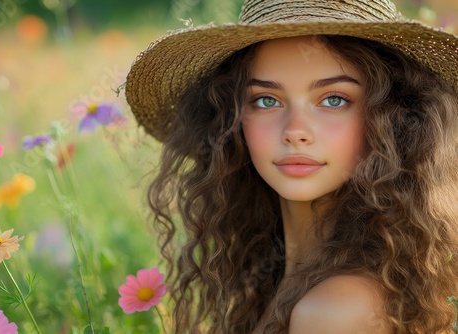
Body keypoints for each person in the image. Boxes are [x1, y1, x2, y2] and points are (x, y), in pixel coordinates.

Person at [124, 0, 458, 333]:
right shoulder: (288, 282)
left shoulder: (334, 312)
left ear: (393, 119)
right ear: (231, 121)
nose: (295, 131)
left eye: (333, 99)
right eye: (266, 100)